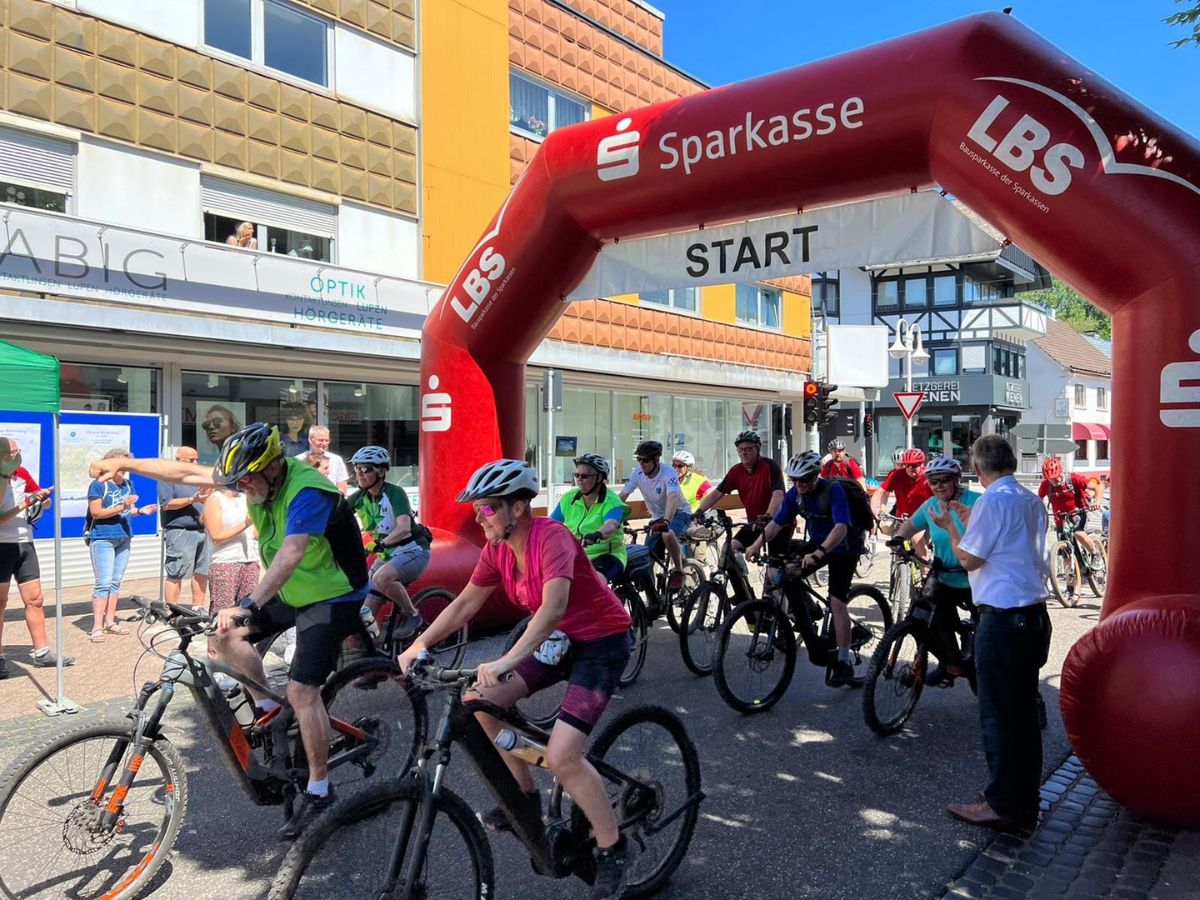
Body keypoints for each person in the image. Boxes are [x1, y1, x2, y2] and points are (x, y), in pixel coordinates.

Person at [92, 423, 370, 838]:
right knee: (223, 638)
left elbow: (292, 553)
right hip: (296, 589)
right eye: (237, 481)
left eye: (248, 479)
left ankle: (319, 788)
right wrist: (122, 461)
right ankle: (266, 708)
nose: (242, 488)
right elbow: (183, 473)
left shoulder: (308, 489)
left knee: (302, 690)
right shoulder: (253, 478)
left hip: (334, 593)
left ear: (274, 465)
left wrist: (248, 604)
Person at [397, 460, 634, 900]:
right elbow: (466, 602)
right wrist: (420, 645)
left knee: (563, 756)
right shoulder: (498, 549)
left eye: (486, 509)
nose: (478, 517)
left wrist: (507, 658)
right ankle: (524, 797)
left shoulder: (552, 537)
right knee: (478, 701)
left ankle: (614, 847)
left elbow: (553, 607)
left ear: (519, 508)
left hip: (601, 642)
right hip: (557, 641)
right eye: (477, 510)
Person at [930, 435, 1051, 833]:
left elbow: (969, 558)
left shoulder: (990, 501)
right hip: (1033, 616)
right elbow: (1010, 546)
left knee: (999, 717)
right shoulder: (1030, 499)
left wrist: (951, 527)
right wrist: (969, 520)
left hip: (1002, 619)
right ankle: (1024, 802)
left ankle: (1001, 804)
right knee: (1023, 719)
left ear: (978, 470)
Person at [746, 451, 867, 688]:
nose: (799, 485)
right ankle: (809, 625)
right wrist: (757, 544)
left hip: (844, 547)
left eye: (803, 480)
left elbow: (841, 527)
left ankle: (843, 661)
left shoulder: (833, 490)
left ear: (815, 476)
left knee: (837, 602)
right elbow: (777, 523)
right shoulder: (795, 494)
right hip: (817, 543)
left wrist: (820, 554)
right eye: (794, 480)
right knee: (785, 574)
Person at [892, 456, 979, 685]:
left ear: (957, 480)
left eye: (944, 480)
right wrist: (899, 539)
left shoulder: (976, 502)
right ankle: (950, 662)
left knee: (989, 633)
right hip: (943, 573)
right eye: (933, 481)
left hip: (975, 576)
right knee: (922, 618)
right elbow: (911, 525)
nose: (939, 485)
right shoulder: (930, 505)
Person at [0, 436, 72, 677]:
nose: (16, 455)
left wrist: (42, 500)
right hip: (1, 545)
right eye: (11, 451)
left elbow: (36, 495)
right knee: (0, 603)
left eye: (18, 450)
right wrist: (26, 502)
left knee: (36, 599)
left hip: (25, 543)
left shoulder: (21, 473)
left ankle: (42, 653)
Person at [349, 446, 429, 642]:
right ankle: (374, 655)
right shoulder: (360, 497)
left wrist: (380, 543)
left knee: (382, 578)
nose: (360, 473)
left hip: (412, 551)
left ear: (382, 471)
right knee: (363, 617)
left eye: (366, 469)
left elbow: (404, 528)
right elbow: (336, 515)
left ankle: (412, 614)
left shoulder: (395, 493)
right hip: (386, 556)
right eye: (357, 468)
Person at [87, 449, 158, 643]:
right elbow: (97, 513)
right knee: (103, 583)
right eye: (121, 466)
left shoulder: (128, 484)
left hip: (124, 536)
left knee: (116, 581)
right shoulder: (99, 485)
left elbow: (128, 511)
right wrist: (123, 506)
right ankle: (97, 627)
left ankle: (110, 621)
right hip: (102, 537)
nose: (124, 470)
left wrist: (141, 511)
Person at [693, 430, 791, 558]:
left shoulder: (770, 466)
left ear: (758, 448)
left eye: (749, 449)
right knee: (728, 551)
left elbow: (778, 495)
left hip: (777, 524)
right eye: (740, 449)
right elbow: (717, 493)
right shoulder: (736, 471)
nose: (744, 452)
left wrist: (768, 515)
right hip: (755, 524)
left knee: (774, 571)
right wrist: (700, 510)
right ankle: (741, 576)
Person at [617, 441, 689, 593]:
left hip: (679, 513)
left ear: (656, 460)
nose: (642, 463)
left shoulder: (669, 473)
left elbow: (673, 497)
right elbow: (622, 496)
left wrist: (666, 521)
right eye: (639, 459)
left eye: (646, 460)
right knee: (645, 559)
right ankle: (653, 602)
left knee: (667, 534)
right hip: (658, 517)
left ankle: (678, 571)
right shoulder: (637, 473)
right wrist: (609, 516)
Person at [550, 453, 630, 583]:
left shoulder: (612, 501)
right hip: (575, 555)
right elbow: (551, 524)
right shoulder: (569, 498)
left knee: (595, 582)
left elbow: (611, 524)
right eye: (577, 475)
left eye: (585, 476)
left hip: (608, 555)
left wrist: (598, 534)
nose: (579, 479)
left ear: (600, 478)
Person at [158, 446, 212, 609]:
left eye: (197, 459)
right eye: (191, 460)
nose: (195, 462)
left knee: (203, 571)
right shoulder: (168, 478)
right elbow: (167, 504)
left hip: (203, 530)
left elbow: (205, 498)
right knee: (176, 571)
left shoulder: (197, 478)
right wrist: (191, 499)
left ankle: (198, 606)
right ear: (178, 460)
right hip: (180, 531)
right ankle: (172, 609)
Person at [203, 486, 260, 613]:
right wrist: (246, 523)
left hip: (250, 561)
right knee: (222, 614)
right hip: (226, 562)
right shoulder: (216, 499)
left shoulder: (247, 499)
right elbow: (216, 536)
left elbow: (255, 534)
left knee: (247, 613)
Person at [1038, 457, 1103, 566]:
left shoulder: (1073, 479)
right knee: (1064, 552)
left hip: (1078, 512)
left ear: (1060, 472)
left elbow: (1098, 487)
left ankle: (1095, 554)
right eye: (1050, 479)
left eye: (1055, 478)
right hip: (1060, 518)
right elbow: (1037, 499)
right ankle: (1070, 579)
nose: (1053, 482)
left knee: (1077, 532)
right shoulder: (1046, 485)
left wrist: (1097, 501)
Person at [872, 448, 932, 527]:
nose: (910, 468)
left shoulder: (930, 476)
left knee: (917, 539)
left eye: (914, 465)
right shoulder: (897, 475)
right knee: (886, 528)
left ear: (922, 464)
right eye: (907, 465)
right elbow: (880, 492)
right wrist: (875, 508)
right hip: (901, 519)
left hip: (924, 520)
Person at [299, 425, 349, 495]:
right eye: (321, 440)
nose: (324, 444)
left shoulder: (336, 460)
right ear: (310, 439)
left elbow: (343, 488)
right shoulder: (299, 460)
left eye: (327, 440)